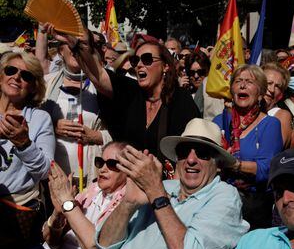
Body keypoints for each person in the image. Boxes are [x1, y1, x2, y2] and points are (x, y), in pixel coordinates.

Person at [95, 118, 249, 249]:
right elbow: (105, 244)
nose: (190, 159)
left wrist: (156, 192)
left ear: (219, 164)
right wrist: (128, 204)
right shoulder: (164, 187)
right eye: (183, 152)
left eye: (202, 153)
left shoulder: (225, 196)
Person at [50, 29, 200, 164]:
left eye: (147, 59)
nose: (139, 65)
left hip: (166, 186)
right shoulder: (132, 92)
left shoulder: (181, 100)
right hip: (129, 186)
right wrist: (77, 44)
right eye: (136, 60)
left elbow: (192, 150)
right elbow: (99, 75)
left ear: (165, 66)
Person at [39, 23, 112, 187]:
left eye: (78, 44)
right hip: (55, 178)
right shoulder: (46, 85)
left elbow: (123, 132)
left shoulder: (102, 88)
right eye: (68, 42)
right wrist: (51, 127)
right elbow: (32, 125)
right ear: (60, 51)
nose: (74, 47)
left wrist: (97, 136)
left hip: (94, 177)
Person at [213, 64, 283, 229]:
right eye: (238, 81)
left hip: (254, 209)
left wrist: (234, 164)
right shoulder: (219, 121)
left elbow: (267, 168)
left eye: (249, 82)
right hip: (219, 203)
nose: (242, 85)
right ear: (232, 90)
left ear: (260, 93)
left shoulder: (270, 124)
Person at [0, 52, 55, 249]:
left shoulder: (40, 118)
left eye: (26, 75)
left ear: (33, 86)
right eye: (11, 70)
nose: (17, 77)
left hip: (17, 215)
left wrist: (24, 143)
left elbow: (46, 171)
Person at [42, 141, 127, 249]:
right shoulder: (90, 193)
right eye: (100, 162)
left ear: (128, 169)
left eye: (111, 164)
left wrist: (68, 202)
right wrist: (58, 214)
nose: (102, 169)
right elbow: (49, 240)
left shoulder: (127, 204)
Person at [262, 63, 292, 148]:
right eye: (268, 83)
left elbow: (274, 150)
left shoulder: (282, 116)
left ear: (281, 94)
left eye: (277, 86)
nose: (271, 90)